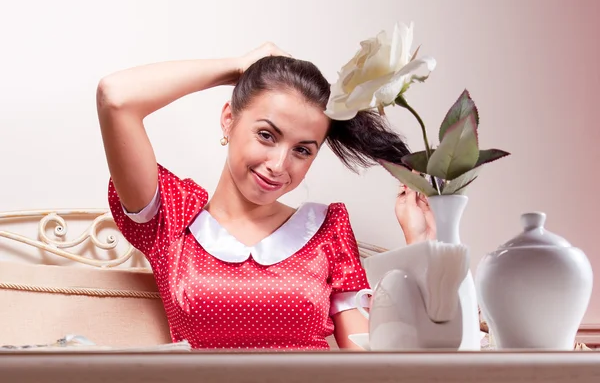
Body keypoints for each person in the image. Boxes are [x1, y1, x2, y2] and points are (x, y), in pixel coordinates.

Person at [96, 42, 435, 351]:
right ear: (229, 120)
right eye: (266, 135)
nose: (278, 165)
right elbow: (115, 97)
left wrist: (420, 245)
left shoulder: (326, 230)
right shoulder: (171, 216)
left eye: (302, 150)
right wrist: (237, 67)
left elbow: (370, 364)